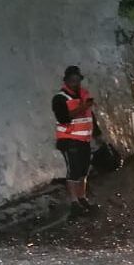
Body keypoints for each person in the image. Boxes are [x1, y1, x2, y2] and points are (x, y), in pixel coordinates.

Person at [52, 65, 98, 217]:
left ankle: (82, 197)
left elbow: (90, 116)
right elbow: (63, 118)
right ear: (66, 81)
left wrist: (97, 133)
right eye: (72, 80)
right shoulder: (60, 98)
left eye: (77, 80)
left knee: (84, 170)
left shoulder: (84, 95)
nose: (75, 83)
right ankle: (74, 202)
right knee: (73, 171)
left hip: (84, 139)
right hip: (69, 140)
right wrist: (82, 107)